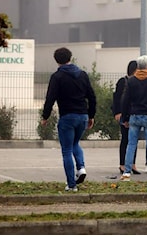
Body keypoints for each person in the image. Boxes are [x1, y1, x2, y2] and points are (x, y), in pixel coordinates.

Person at [41, 47, 96, 192]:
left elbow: (50, 98)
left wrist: (45, 117)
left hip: (67, 117)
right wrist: (91, 115)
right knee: (75, 143)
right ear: (70, 57)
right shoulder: (82, 74)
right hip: (82, 116)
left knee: (66, 150)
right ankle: (81, 167)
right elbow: (91, 96)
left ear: (56, 60)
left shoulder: (57, 77)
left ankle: (71, 185)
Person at [111, 60, 141, 175]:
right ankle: (123, 164)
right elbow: (117, 98)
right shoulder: (123, 81)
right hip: (124, 113)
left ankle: (132, 163)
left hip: (135, 114)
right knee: (125, 139)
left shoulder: (138, 82)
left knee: (134, 140)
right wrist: (117, 113)